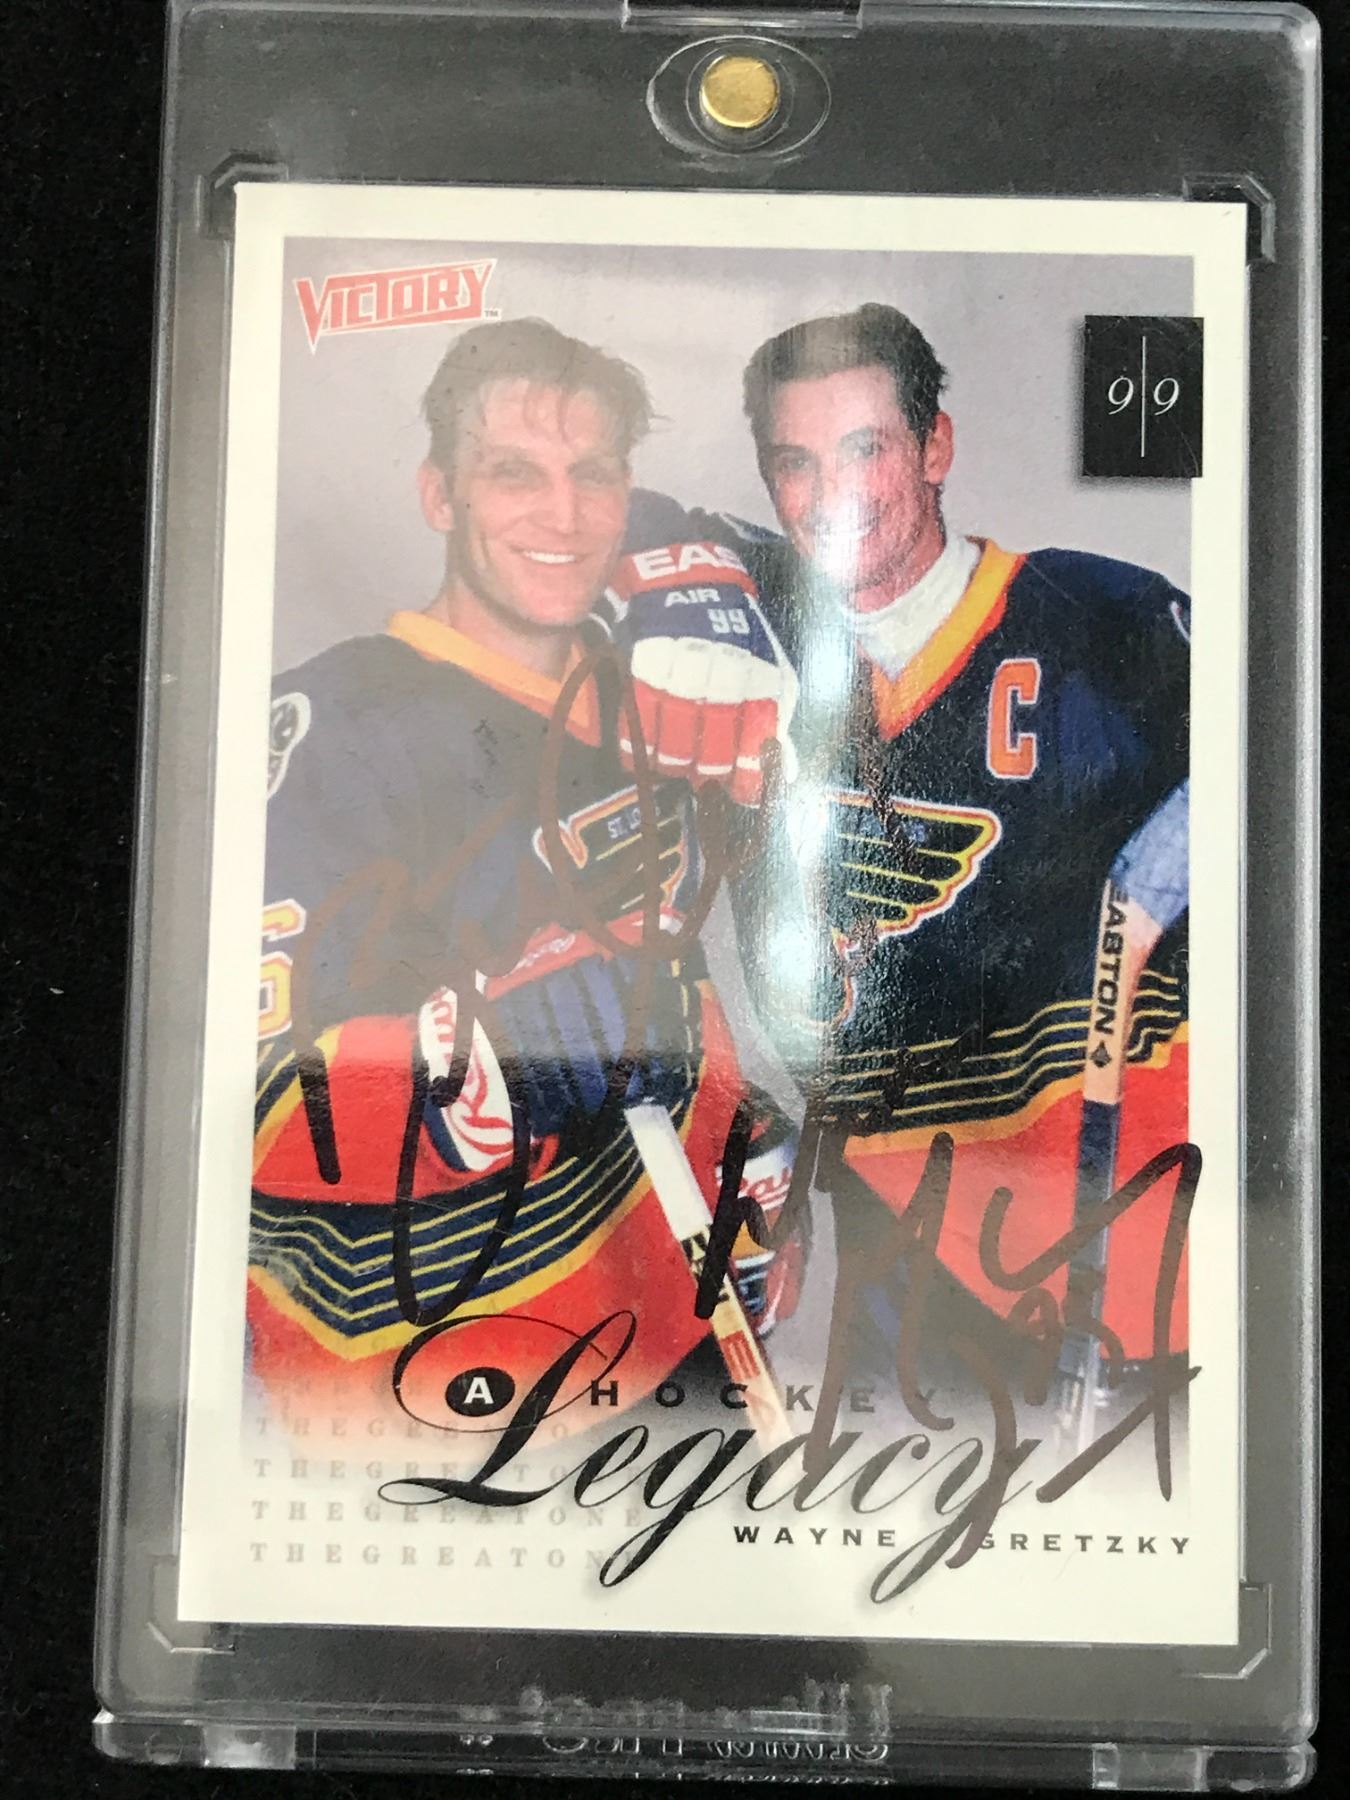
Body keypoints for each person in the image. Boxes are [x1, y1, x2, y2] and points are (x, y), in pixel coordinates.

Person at [249, 318, 801, 1432]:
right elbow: (251, 1096)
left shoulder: (655, 681)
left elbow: (671, 975)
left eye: (594, 477)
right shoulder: (340, 727)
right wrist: (485, 1067)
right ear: (439, 496)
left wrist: (732, 1141)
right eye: (513, 474)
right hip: (442, 1389)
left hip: (681, 1344)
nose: (563, 516)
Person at [631, 301, 1190, 1391]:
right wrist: (680, 591)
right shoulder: (762, 626)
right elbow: (603, 514)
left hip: (1124, 1262)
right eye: (795, 463)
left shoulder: (1099, 619)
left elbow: (1277, 782)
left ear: (936, 447)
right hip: (901, 1268)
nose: (830, 492)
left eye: (865, 449)